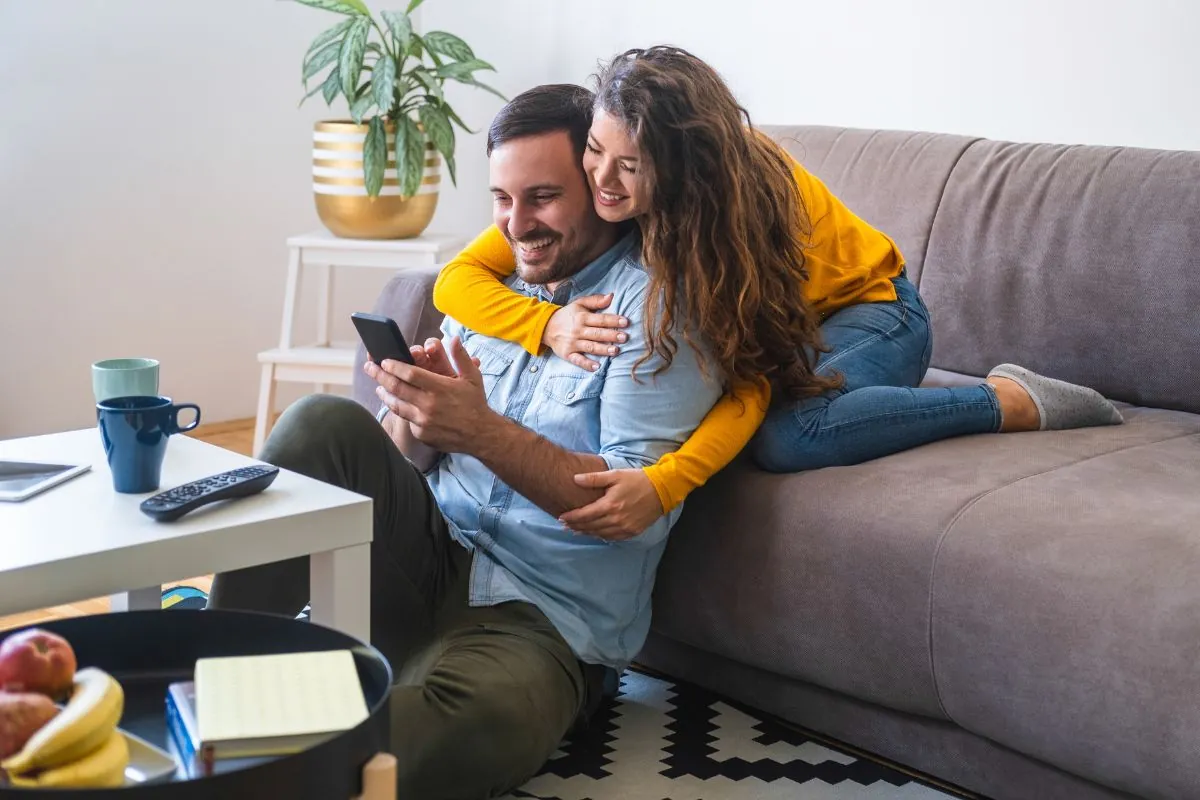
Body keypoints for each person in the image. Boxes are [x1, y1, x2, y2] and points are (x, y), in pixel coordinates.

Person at [206, 83, 722, 800]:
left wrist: (480, 430)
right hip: (428, 557)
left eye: (541, 197)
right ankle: (216, 668)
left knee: (452, 729)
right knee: (316, 423)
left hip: (542, 621)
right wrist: (418, 417)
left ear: (604, 189)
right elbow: (404, 460)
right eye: (502, 200)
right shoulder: (493, 285)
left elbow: (629, 515)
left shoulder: (659, 310)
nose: (517, 225)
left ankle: (281, 749)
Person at [431, 45, 1124, 540]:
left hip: (872, 312)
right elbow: (456, 281)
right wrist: (544, 327)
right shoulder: (596, 188)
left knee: (790, 435)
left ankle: (1005, 401)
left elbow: (755, 380)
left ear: (678, 165)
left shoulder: (739, 218)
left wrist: (667, 482)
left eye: (630, 167)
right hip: (800, 322)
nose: (604, 182)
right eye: (594, 154)